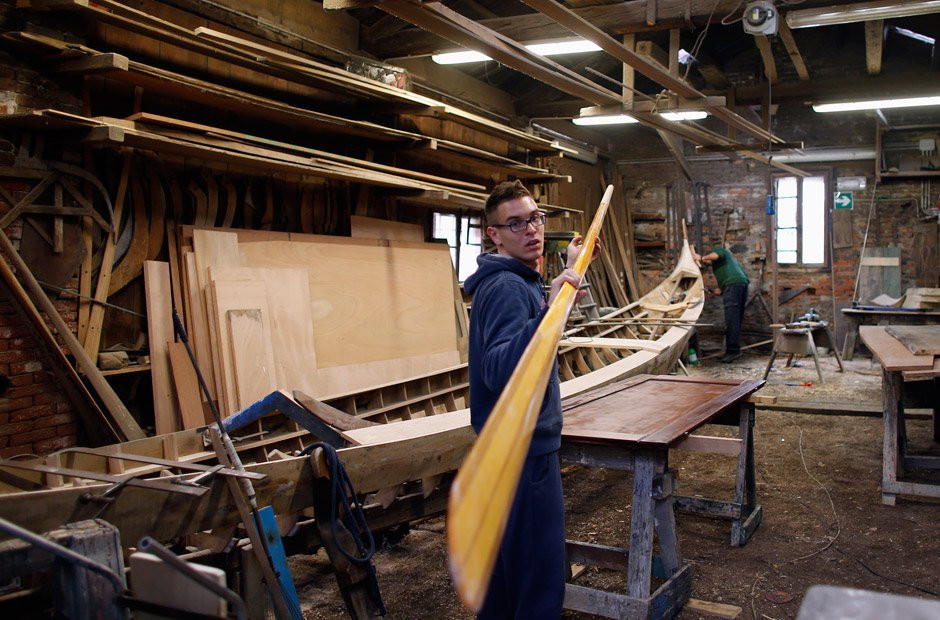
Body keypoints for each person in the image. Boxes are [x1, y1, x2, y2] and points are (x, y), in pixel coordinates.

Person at [462, 180, 598, 619]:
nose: (531, 230)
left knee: (504, 582)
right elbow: (501, 369)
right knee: (539, 584)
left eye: (536, 218)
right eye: (515, 223)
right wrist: (553, 304)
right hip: (523, 453)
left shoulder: (518, 281)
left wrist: (556, 292)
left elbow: (527, 337)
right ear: (494, 234)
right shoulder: (505, 287)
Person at [694, 246, 749, 363]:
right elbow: (722, 290)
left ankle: (733, 352)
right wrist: (713, 291)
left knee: (731, 319)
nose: (705, 262)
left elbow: (716, 255)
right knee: (736, 319)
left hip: (733, 285)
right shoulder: (728, 265)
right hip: (741, 284)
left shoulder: (720, 251)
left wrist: (701, 257)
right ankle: (734, 350)